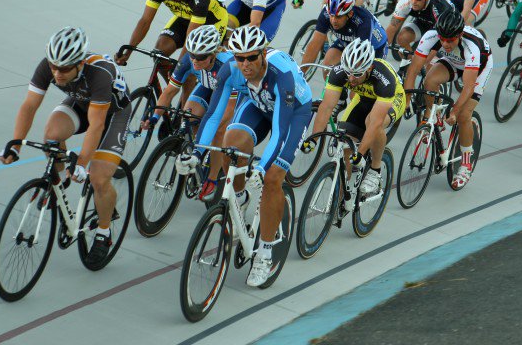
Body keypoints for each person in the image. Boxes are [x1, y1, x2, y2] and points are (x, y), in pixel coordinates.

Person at [176, 26, 312, 287]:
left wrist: (261, 168)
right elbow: (213, 115)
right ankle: (239, 197)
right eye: (240, 58)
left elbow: (280, 129)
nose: (245, 64)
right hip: (258, 103)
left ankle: (265, 251)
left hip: (293, 113)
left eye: (251, 57)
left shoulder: (280, 75)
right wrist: (197, 154)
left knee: (273, 178)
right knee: (229, 144)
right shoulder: (230, 70)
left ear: (262, 54)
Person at [0, 27, 131, 269]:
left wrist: (82, 163)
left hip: (113, 114)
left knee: (99, 179)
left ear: (80, 63)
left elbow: (96, 125)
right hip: (81, 101)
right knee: (51, 134)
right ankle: (57, 182)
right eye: (53, 67)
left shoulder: (100, 74)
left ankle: (104, 232)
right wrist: (16, 143)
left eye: (63, 69)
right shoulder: (48, 66)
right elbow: (29, 106)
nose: (57, 74)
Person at [140, 25, 234, 201]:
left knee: (218, 129)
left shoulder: (227, 65)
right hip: (207, 87)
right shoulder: (188, 61)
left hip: (230, 93)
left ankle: (212, 178)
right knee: (188, 115)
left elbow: (224, 111)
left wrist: (212, 128)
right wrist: (154, 118)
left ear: (213, 54)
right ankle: (199, 148)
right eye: (192, 54)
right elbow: (169, 92)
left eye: (200, 57)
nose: (195, 61)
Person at [403, 11, 493, 189]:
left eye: (450, 40)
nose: (445, 43)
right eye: (442, 39)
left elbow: (468, 87)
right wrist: (406, 98)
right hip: (454, 61)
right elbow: (413, 70)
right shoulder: (431, 36)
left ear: (459, 35)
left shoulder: (472, 47)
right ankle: (433, 116)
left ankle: (466, 163)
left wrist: (455, 110)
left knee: (464, 115)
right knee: (429, 80)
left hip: (479, 69)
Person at [305, 39, 404, 196]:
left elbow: (376, 122)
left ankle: (375, 171)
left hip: (392, 99)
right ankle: (341, 199)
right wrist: (314, 139)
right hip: (363, 97)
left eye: (357, 74)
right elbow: (326, 107)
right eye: (348, 72)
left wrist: (361, 152)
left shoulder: (384, 79)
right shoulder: (339, 72)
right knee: (345, 144)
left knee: (372, 122)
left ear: (369, 68)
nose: (351, 78)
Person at [115, 0, 228, 68]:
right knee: (159, 54)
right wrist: (128, 52)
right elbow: (145, 21)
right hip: (186, 17)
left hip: (212, 22)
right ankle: (171, 85)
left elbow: (191, 37)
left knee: (193, 63)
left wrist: (180, 69)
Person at [300, 0, 388, 71]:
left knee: (361, 78)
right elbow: (315, 44)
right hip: (348, 43)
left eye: (338, 17)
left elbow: (360, 58)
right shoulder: (326, 14)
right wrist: (301, 74)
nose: (333, 20)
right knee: (328, 65)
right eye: (332, 15)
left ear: (349, 14)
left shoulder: (363, 21)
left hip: (374, 48)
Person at [385, 0, 456, 58]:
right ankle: (408, 65)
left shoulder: (440, 8)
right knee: (402, 38)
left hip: (445, 30)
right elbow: (392, 28)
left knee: (429, 62)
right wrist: (380, 53)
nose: (414, 1)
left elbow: (440, 41)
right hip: (423, 23)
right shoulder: (405, 2)